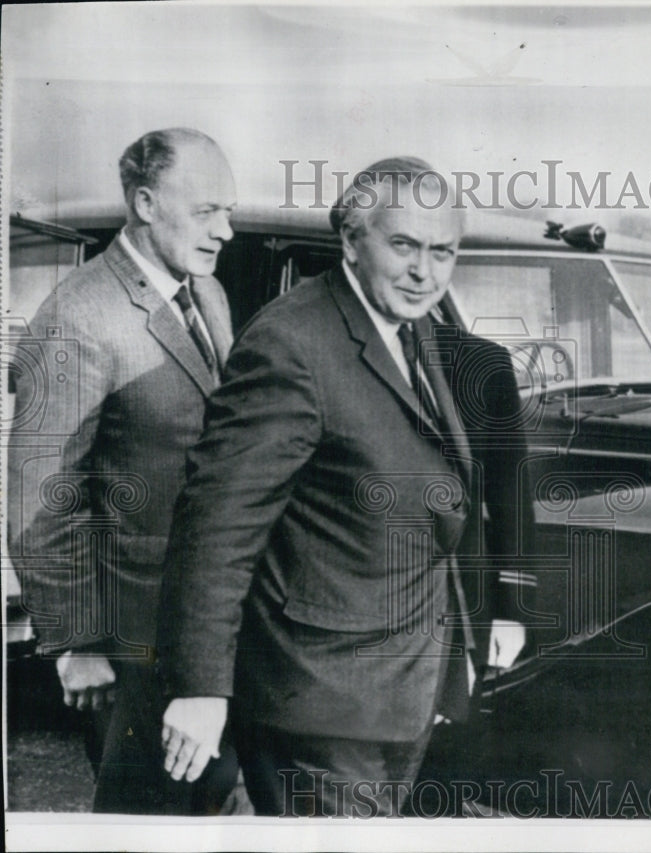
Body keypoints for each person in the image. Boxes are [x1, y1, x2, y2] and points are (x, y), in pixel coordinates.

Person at [157, 158, 528, 816]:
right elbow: (215, 526)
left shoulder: (413, 327)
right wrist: (200, 687)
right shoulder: (290, 344)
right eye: (405, 245)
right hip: (317, 703)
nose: (426, 271)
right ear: (352, 238)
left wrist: (465, 642)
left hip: (401, 693)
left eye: (443, 251)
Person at [6, 127, 239, 813]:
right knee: (146, 814)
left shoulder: (211, 294)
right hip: (130, 640)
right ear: (143, 201)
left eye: (229, 210)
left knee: (207, 802)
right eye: (206, 212)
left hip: (201, 627)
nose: (224, 230)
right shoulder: (76, 316)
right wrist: (75, 643)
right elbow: (40, 497)